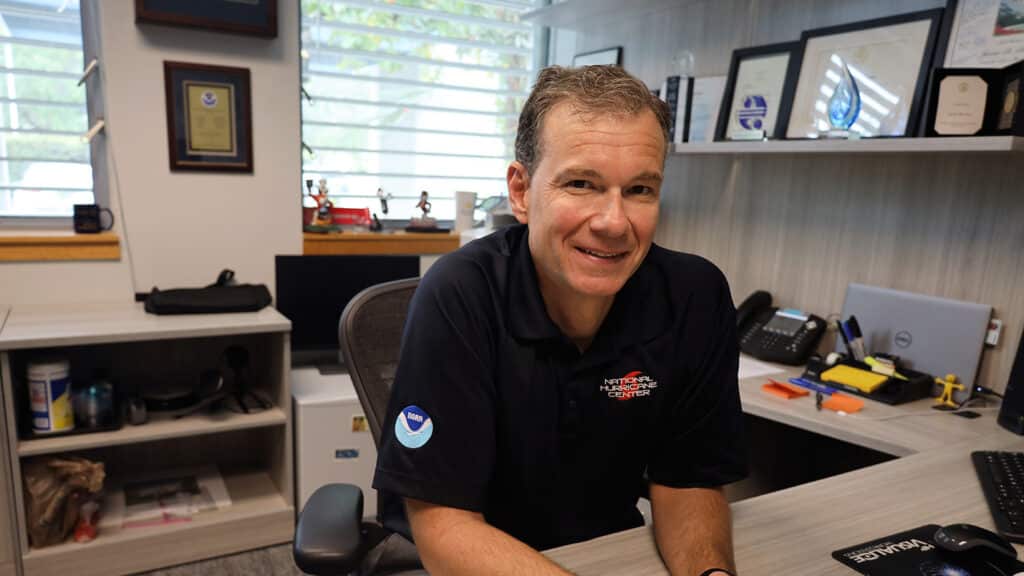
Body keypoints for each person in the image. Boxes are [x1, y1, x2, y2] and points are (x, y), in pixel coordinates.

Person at [373, 65, 747, 576]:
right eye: (581, 183)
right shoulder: (461, 291)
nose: (614, 222)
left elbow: (687, 481)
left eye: (639, 189)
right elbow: (444, 525)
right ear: (522, 192)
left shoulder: (693, 297)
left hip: (602, 554)